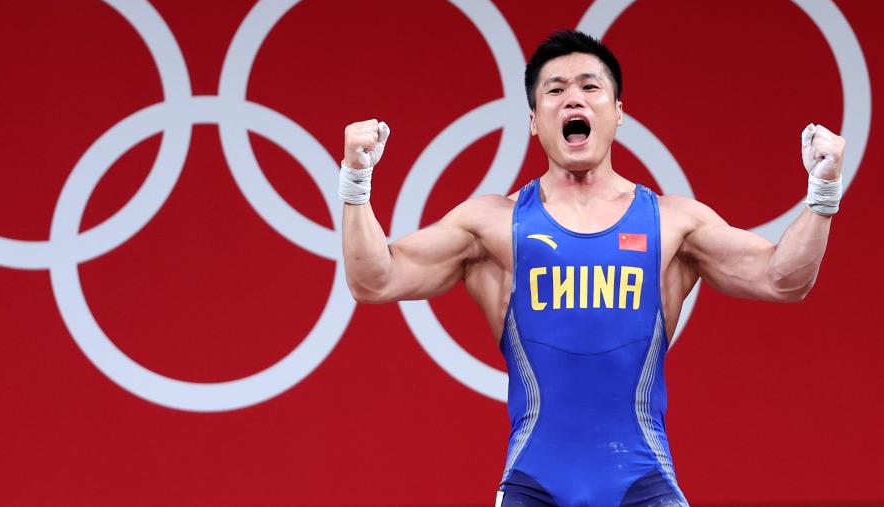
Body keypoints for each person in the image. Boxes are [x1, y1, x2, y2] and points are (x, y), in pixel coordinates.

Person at [339, 30, 844, 507]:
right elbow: (375, 280)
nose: (573, 99)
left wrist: (823, 193)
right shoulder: (491, 226)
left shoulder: (673, 223)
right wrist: (356, 182)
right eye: (555, 90)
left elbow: (783, 279)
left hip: (645, 485)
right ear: (534, 120)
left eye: (589, 86)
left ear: (618, 111)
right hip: (532, 488)